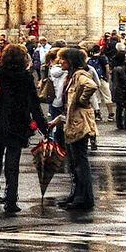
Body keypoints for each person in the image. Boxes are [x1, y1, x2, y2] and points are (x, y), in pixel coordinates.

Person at [0, 44, 44, 215]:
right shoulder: (26, 77)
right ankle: (11, 200)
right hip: (17, 124)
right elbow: (34, 104)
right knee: (12, 165)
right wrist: (42, 125)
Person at [52, 46, 100, 215]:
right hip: (72, 123)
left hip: (80, 124)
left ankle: (83, 198)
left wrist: (82, 100)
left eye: (63, 59)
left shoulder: (80, 75)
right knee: (74, 163)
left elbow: (92, 86)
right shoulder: (71, 76)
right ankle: (75, 195)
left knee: (80, 163)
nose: (60, 61)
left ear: (71, 61)